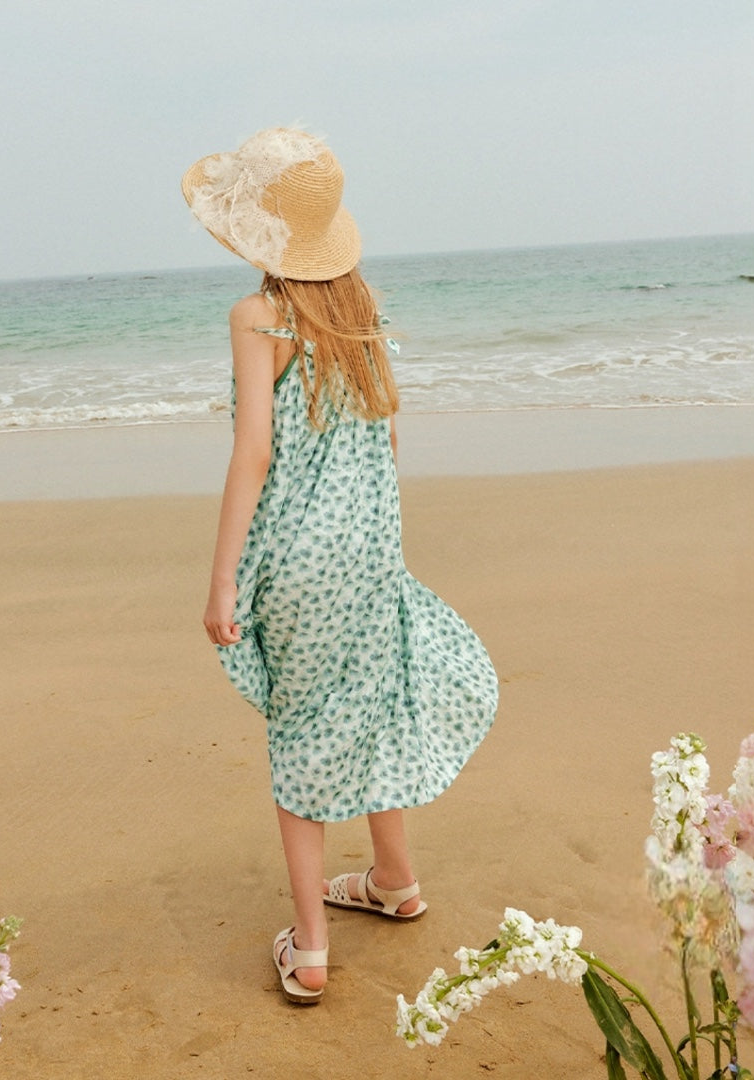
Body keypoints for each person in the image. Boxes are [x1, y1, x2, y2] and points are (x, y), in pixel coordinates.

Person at [182, 127, 499, 1005]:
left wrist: (221, 580)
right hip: (369, 549)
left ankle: (311, 947)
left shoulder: (259, 315)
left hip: (298, 558)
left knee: (301, 734)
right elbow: (389, 437)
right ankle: (395, 882)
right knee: (368, 705)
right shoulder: (360, 311)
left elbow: (252, 452)